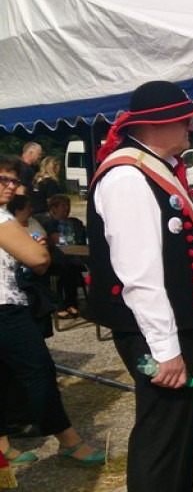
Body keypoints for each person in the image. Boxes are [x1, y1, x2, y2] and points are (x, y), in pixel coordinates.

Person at [85, 80, 193, 491]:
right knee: (162, 435)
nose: (191, 128)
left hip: (178, 324)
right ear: (158, 124)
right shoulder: (128, 176)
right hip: (158, 330)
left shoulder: (150, 169)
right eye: (185, 120)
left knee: (180, 432)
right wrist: (165, 349)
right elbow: (139, 273)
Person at [0, 156, 105, 468]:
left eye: (14, 181)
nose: (12, 186)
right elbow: (38, 260)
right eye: (3, 179)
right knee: (39, 372)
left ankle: (3, 446)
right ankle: (68, 441)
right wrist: (40, 247)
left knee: (4, 375)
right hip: (6, 308)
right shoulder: (2, 219)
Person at [44, 194, 88, 319]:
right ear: (54, 208)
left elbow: (82, 239)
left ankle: (72, 303)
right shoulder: (51, 224)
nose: (66, 208)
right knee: (66, 269)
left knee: (73, 267)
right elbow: (57, 241)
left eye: (67, 205)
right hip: (60, 257)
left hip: (78, 255)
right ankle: (64, 305)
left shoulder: (76, 222)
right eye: (63, 205)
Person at [30, 156, 63, 221]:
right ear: (54, 168)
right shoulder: (50, 182)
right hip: (45, 214)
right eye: (58, 167)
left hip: (33, 213)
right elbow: (52, 200)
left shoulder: (35, 181)